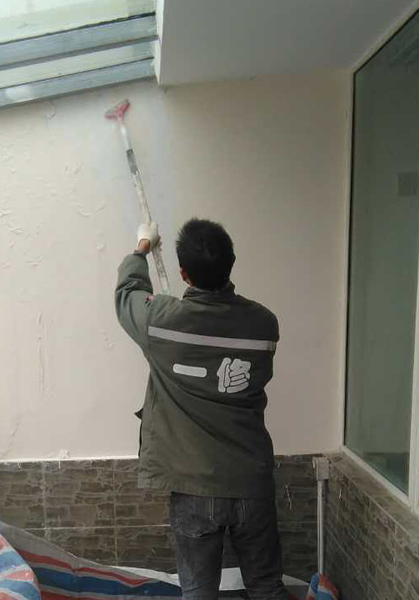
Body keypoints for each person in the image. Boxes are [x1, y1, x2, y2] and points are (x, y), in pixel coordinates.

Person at [115, 218, 285, 600]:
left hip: (195, 487)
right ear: (231, 263)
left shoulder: (161, 322)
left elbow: (127, 294)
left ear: (183, 273)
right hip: (251, 480)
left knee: (197, 591)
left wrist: (142, 247)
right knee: (266, 587)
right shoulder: (264, 325)